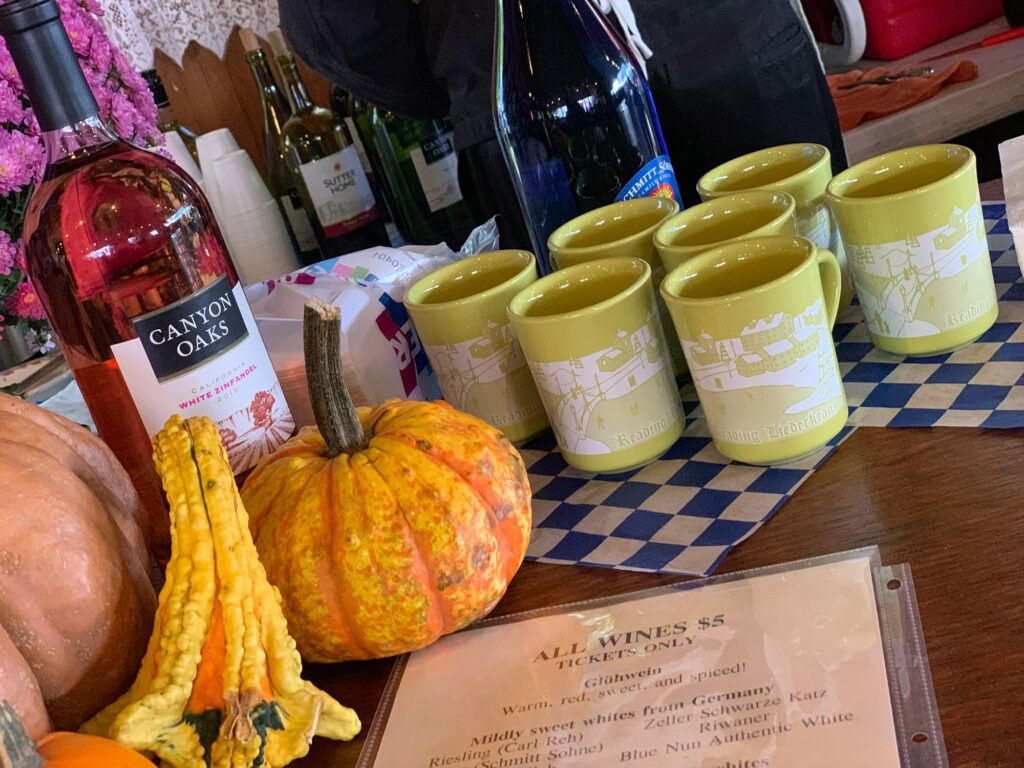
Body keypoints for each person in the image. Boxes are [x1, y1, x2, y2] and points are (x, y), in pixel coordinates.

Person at [279, 0, 846, 249]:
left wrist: (473, 67)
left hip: (518, 100)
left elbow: (344, 29)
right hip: (731, 46)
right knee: (826, 345)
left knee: (608, 403)